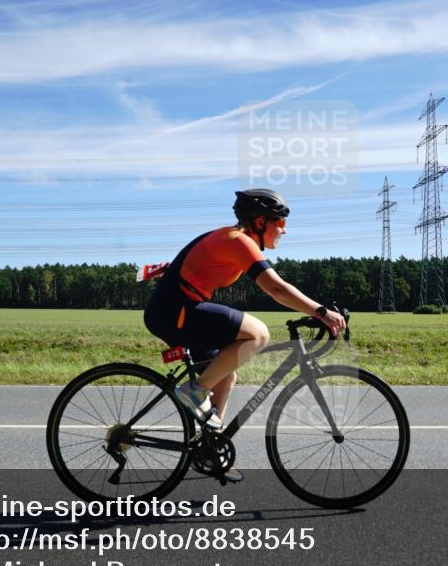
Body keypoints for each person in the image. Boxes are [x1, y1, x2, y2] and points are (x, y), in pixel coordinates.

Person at [143, 189, 346, 480]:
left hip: (179, 309)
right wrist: (321, 312)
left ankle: (209, 450)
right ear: (260, 222)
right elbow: (276, 288)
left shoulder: (234, 239)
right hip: (176, 310)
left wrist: (317, 310)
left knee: (226, 373)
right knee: (258, 334)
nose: (284, 229)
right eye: (279, 221)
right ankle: (194, 392)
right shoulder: (237, 241)